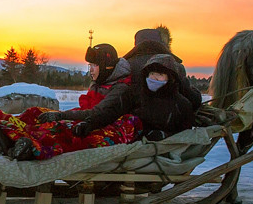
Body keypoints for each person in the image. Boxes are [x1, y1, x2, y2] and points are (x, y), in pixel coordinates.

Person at [0, 43, 141, 161]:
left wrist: (60, 115)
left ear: (106, 66)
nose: (90, 70)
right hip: (91, 119)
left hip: (101, 124)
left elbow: (98, 114)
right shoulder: (103, 81)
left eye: (94, 65)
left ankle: (21, 145)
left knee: (59, 128)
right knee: (36, 113)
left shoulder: (121, 89)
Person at [67, 53, 196, 142]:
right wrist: (89, 123)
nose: (154, 78)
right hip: (129, 140)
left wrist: (164, 135)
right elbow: (111, 111)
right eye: (151, 73)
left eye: (160, 74)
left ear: (170, 77)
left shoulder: (181, 104)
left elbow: (185, 134)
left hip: (158, 150)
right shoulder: (135, 94)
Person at [123, 28, 202, 114]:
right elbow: (194, 100)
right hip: (169, 122)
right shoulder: (175, 66)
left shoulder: (124, 66)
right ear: (162, 43)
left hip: (131, 122)